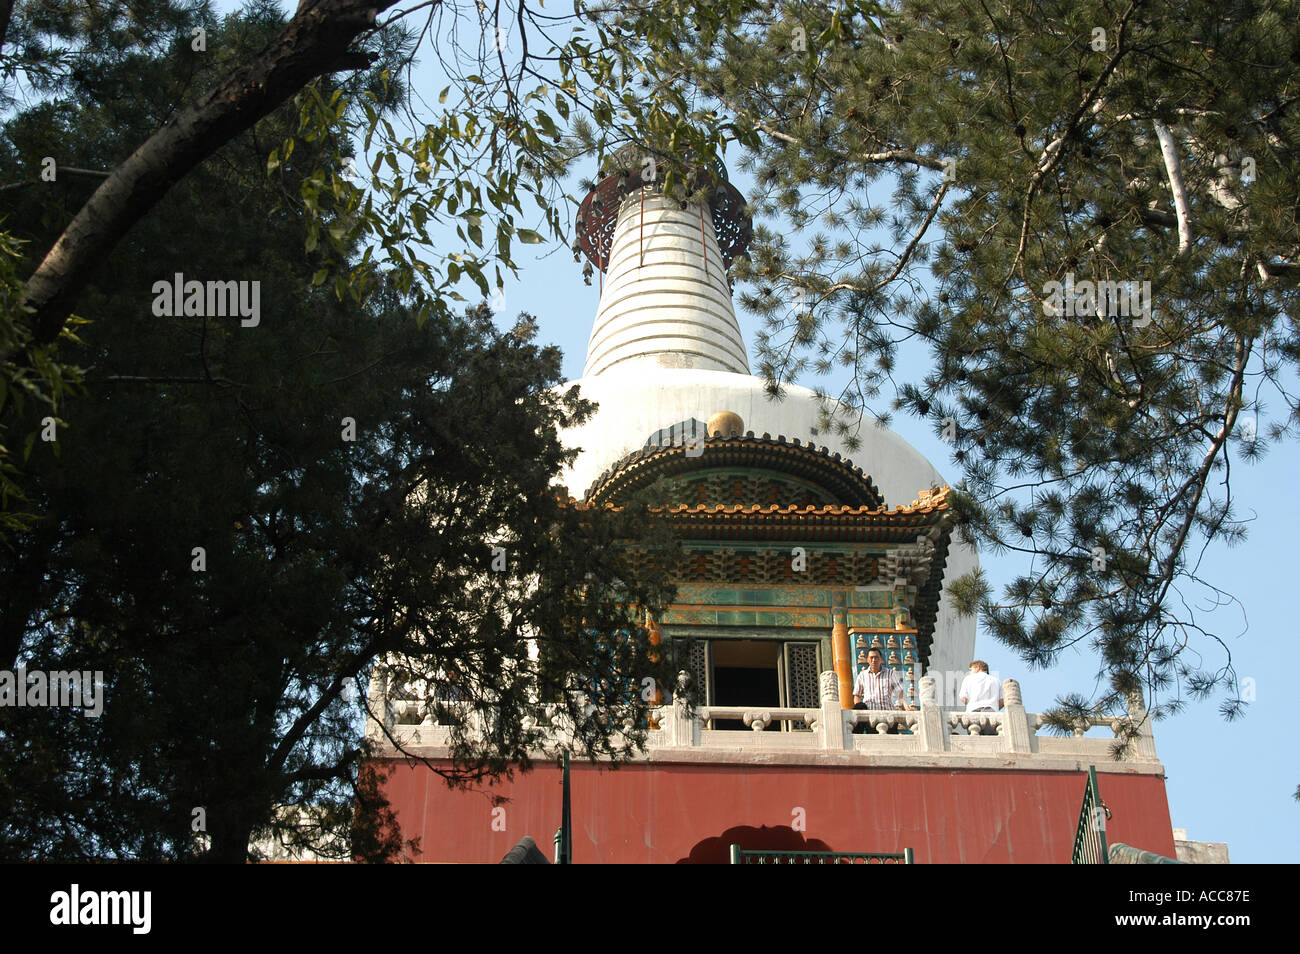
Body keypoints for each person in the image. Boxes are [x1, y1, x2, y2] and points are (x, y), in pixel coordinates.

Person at [852, 648, 913, 734]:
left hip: (889, 716)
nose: (874, 660)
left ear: (881, 659)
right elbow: (857, 696)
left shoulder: (890, 673)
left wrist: (907, 707)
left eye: (876, 657)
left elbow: (900, 693)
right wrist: (859, 713)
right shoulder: (862, 675)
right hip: (871, 717)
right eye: (871, 658)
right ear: (867, 660)